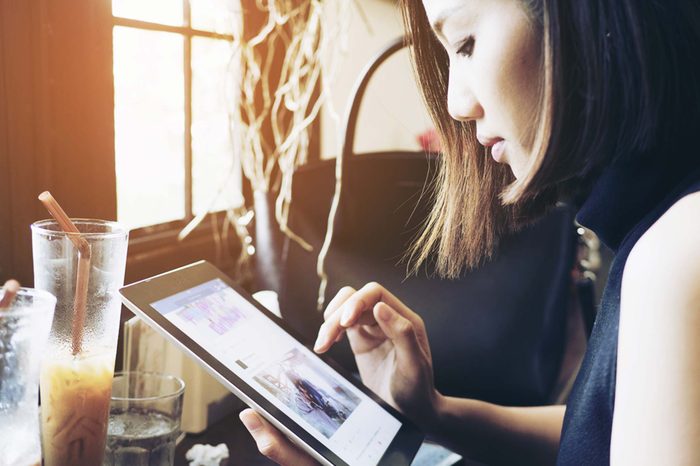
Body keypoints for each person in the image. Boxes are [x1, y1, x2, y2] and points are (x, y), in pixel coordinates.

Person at [239, 0, 700, 464]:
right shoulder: (668, 226)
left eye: (466, 43)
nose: (457, 105)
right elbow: (603, 430)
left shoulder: (675, 254)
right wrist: (433, 412)